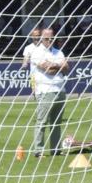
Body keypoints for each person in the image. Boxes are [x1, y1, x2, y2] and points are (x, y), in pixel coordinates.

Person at [30, 27, 69, 157]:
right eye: (47, 38)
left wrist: (55, 65)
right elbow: (47, 70)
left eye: (52, 38)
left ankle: (56, 149)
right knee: (42, 121)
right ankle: (38, 150)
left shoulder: (59, 52)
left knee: (57, 122)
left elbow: (67, 67)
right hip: (45, 90)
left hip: (60, 89)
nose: (50, 40)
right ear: (41, 38)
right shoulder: (36, 52)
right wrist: (59, 66)